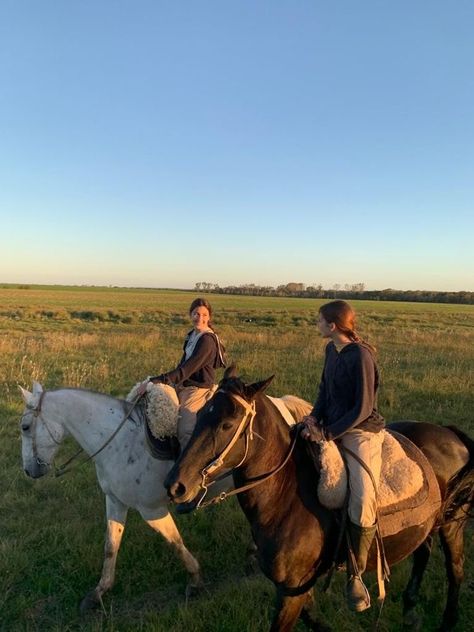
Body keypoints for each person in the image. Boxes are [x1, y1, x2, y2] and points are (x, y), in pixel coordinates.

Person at [301, 300, 384, 613]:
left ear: (333, 325)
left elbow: (362, 408)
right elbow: (324, 390)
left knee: (362, 499)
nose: (317, 325)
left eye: (319, 321)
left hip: (361, 431)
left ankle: (357, 573)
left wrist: (327, 433)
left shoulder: (361, 355)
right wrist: (313, 418)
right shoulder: (330, 351)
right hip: (330, 424)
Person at [138, 298, 226, 449]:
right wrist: (165, 383)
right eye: (196, 314)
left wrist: (154, 381)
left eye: (204, 315)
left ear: (209, 317)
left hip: (198, 389)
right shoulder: (192, 335)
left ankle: (188, 469)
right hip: (184, 384)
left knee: (184, 430)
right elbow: (182, 364)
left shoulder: (207, 341)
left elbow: (186, 370)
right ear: (190, 315)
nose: (200, 318)